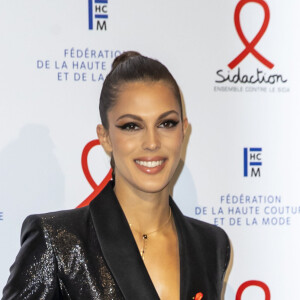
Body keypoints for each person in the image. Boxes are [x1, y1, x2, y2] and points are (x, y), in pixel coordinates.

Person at [2, 51, 230, 300]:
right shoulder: (59, 243)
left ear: (183, 130)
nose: (152, 143)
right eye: (132, 126)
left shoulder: (212, 245)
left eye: (166, 123)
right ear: (105, 137)